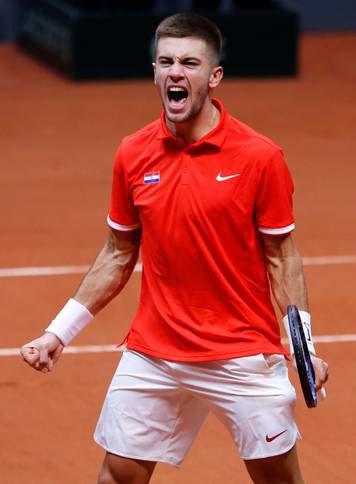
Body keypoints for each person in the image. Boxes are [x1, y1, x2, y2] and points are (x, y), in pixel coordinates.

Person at [21, 12, 329, 484]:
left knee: (277, 480)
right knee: (118, 475)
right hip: (156, 351)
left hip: (240, 351)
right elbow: (118, 252)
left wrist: (303, 347)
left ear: (214, 76)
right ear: (155, 73)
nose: (175, 72)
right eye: (165, 61)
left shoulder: (259, 157)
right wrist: (57, 333)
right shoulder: (133, 152)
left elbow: (281, 256)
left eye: (189, 62)